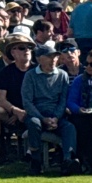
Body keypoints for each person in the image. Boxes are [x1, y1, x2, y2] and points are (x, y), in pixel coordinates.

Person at [22, 42, 77, 174]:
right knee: (34, 123)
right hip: (37, 113)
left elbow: (63, 100)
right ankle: (36, 161)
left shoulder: (62, 75)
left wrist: (56, 118)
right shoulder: (30, 76)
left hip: (56, 114)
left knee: (69, 127)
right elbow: (27, 102)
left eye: (55, 57)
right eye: (49, 56)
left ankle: (68, 160)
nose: (53, 60)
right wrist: (42, 118)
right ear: (39, 58)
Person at [0, 34, 34, 167]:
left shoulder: (37, 71)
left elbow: (41, 98)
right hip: (11, 111)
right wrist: (15, 111)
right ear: (13, 52)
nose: (27, 50)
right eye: (22, 48)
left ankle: (32, 152)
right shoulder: (5, 72)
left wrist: (24, 112)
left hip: (34, 111)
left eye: (29, 48)